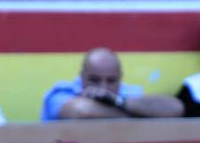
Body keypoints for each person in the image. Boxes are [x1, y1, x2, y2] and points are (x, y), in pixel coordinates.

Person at [42, 48, 183, 122]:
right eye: (94, 80)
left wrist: (117, 100)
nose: (102, 88)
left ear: (120, 78)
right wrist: (141, 115)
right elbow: (80, 111)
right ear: (81, 77)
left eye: (111, 81)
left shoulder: (126, 94)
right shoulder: (61, 92)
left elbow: (176, 108)